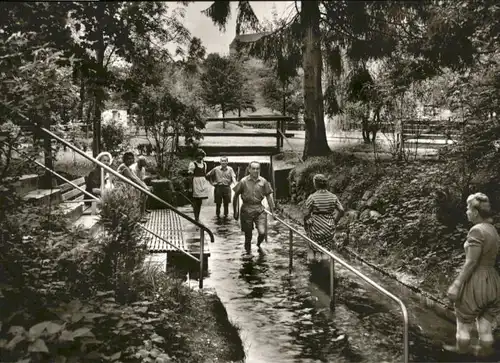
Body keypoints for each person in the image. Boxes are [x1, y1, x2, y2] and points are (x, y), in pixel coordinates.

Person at [445, 192, 500, 357]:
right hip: (493, 282)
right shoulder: (492, 229)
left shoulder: (476, 230)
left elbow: (471, 262)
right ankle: (485, 357)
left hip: (476, 282)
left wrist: (456, 284)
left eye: (468, 209)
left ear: (475, 212)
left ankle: (461, 357)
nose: (466, 212)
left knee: (462, 326)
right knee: (485, 329)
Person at [232, 161, 275, 251]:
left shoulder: (263, 181)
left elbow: (269, 197)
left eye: (257, 168)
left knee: (262, 232)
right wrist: (235, 212)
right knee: (248, 236)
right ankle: (248, 256)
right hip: (246, 209)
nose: (255, 170)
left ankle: (258, 244)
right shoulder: (243, 181)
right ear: (249, 169)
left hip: (259, 209)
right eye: (253, 168)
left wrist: (272, 211)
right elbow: (235, 196)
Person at [304, 174, 345, 257]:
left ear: (315, 184)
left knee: (313, 246)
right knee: (326, 250)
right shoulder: (333, 197)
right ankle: (326, 263)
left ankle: (314, 262)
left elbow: (306, 214)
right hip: (329, 228)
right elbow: (341, 210)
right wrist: (335, 221)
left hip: (316, 228)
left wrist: (307, 221)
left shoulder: (312, 197)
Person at [117, 152, 149, 222]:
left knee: (142, 194)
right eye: (128, 159)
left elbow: (136, 178)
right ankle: (137, 217)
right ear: (124, 160)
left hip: (127, 187)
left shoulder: (128, 167)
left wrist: (145, 187)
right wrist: (144, 188)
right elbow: (133, 178)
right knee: (137, 195)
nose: (130, 160)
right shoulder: (123, 167)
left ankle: (140, 215)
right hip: (121, 188)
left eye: (132, 159)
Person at [187, 148, 210, 222]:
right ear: (196, 156)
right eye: (198, 156)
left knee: (200, 201)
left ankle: (198, 216)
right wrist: (190, 187)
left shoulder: (204, 164)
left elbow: (205, 174)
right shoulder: (193, 164)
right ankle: (196, 217)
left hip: (202, 183)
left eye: (201, 156)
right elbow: (190, 176)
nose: (200, 158)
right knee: (195, 200)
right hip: (196, 182)